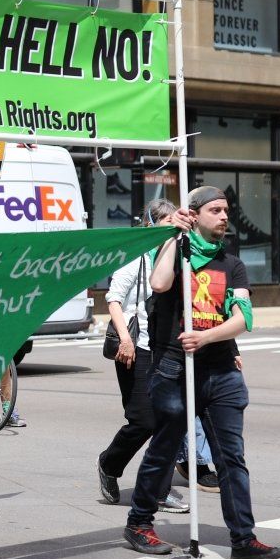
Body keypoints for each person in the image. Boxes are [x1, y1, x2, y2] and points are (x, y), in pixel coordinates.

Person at [121, 185, 280, 559]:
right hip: (174, 366)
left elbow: (244, 317)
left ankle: (243, 539)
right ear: (194, 215)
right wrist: (171, 237)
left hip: (221, 369)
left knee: (232, 458)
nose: (225, 216)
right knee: (165, 448)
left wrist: (207, 336)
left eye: (227, 210)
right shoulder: (174, 252)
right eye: (216, 210)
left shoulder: (233, 264)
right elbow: (159, 284)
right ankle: (139, 523)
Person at [96, 200, 187, 509]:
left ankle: (159, 491)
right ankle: (109, 464)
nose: (175, 230)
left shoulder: (175, 257)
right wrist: (125, 340)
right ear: (151, 225)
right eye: (168, 224)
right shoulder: (135, 258)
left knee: (170, 420)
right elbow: (113, 301)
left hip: (167, 349)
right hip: (137, 348)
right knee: (144, 420)